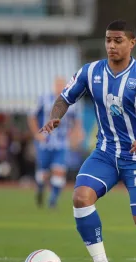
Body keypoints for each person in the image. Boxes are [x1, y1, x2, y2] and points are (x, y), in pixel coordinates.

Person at [39, 20, 136, 262]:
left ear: (132, 43)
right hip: (105, 153)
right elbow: (64, 98)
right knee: (81, 197)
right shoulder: (91, 71)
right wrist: (55, 117)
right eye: (108, 40)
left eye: (118, 40)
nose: (111, 45)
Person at [28, 77, 83, 208]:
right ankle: (41, 189)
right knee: (43, 174)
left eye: (61, 84)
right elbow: (32, 116)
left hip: (62, 143)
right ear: (54, 85)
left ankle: (52, 201)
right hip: (45, 143)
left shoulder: (72, 102)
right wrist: (37, 134)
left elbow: (77, 122)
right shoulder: (43, 98)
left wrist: (76, 135)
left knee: (59, 171)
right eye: (57, 84)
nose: (59, 87)